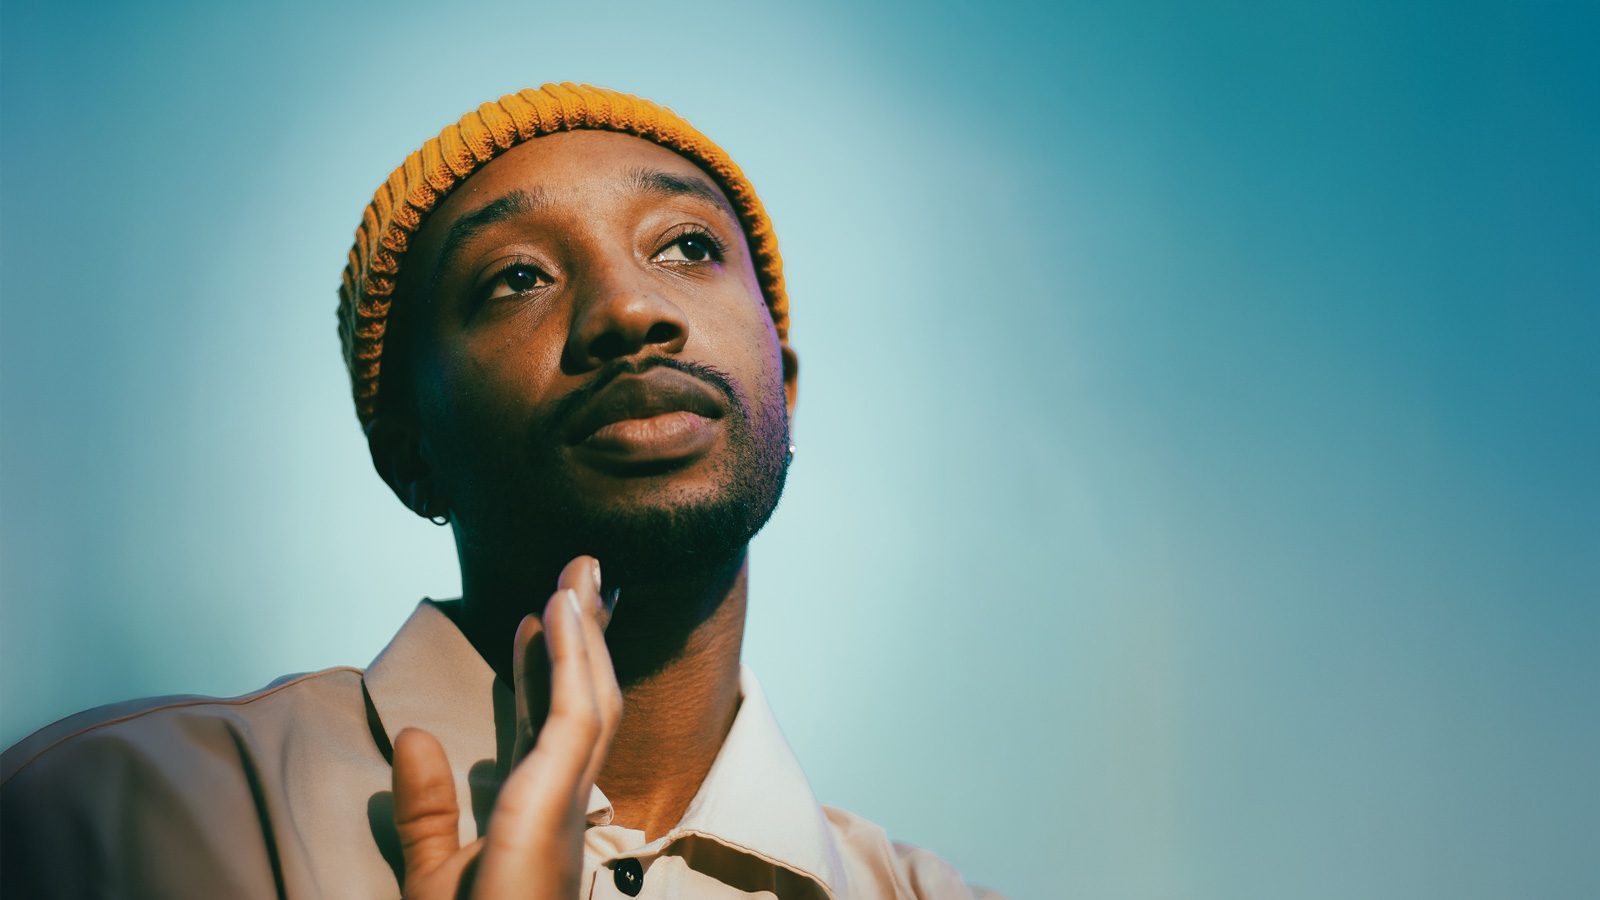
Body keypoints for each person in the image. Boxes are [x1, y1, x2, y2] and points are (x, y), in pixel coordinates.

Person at [0, 83, 998, 899]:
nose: (627, 308)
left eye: (687, 245)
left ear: (783, 388)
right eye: (515, 277)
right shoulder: (114, 821)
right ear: (411, 456)